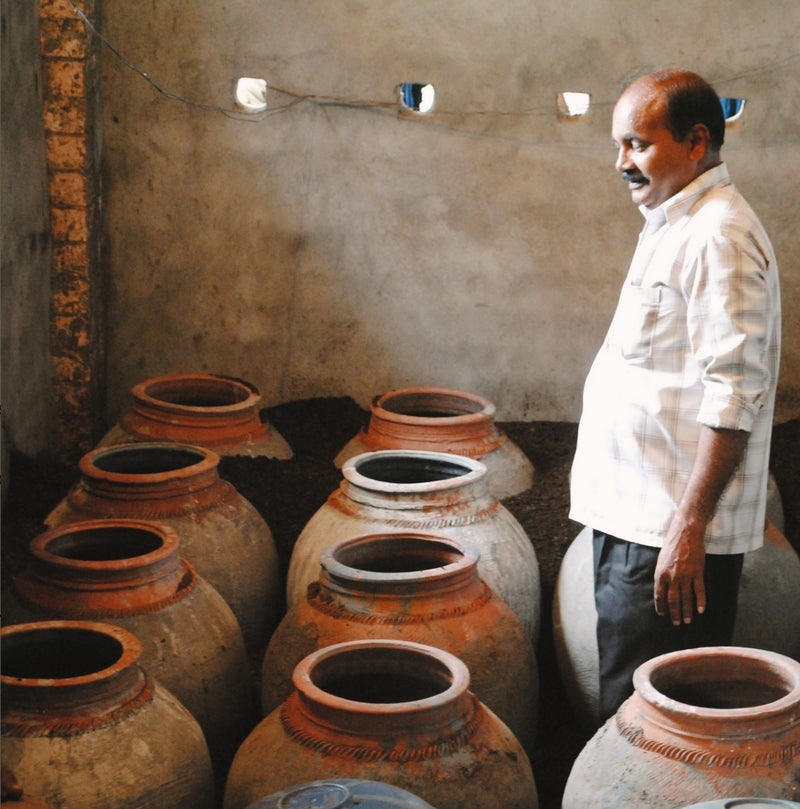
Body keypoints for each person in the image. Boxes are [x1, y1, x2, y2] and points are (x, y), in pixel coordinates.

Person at [569, 68, 782, 721]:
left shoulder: (720, 234)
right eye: (619, 145)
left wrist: (688, 527)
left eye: (637, 144)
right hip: (640, 526)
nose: (621, 162)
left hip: (666, 537)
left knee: (650, 724)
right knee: (630, 713)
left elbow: (735, 393)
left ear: (695, 142)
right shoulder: (676, 221)